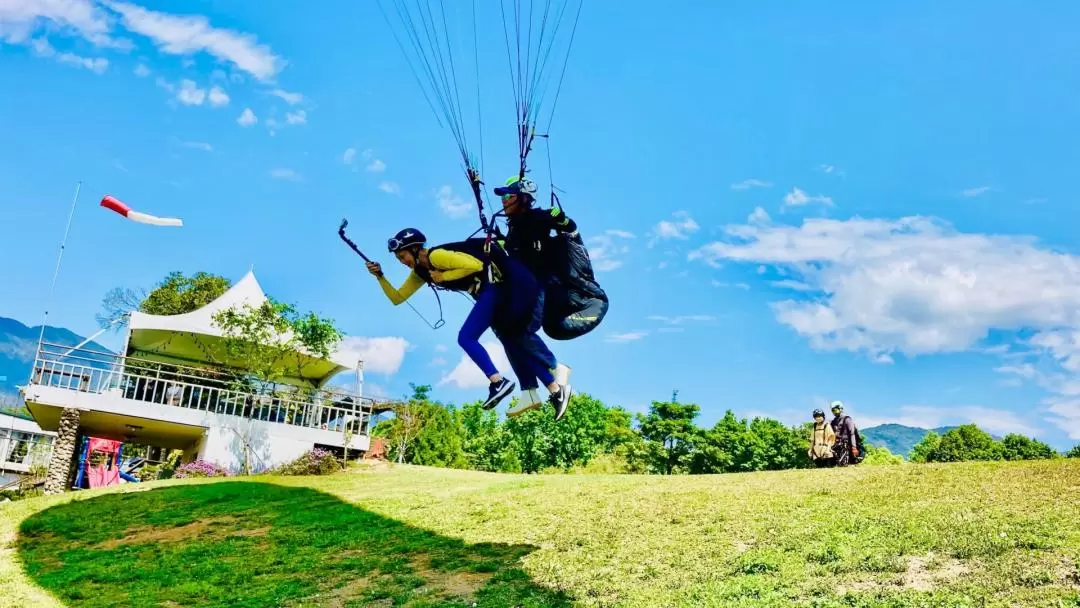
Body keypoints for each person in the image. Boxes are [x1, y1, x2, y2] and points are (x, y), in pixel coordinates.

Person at [366, 227, 572, 419]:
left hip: (494, 291)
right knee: (513, 344)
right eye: (399, 259)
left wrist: (444, 275)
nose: (402, 261)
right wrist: (380, 277)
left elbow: (476, 265)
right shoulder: (419, 272)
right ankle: (555, 389)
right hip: (487, 295)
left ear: (413, 248)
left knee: (466, 337)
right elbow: (397, 297)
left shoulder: (435, 256)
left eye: (403, 256)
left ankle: (498, 382)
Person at [494, 176, 609, 342]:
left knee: (548, 324)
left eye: (507, 196)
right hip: (554, 316)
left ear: (523, 197)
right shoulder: (516, 234)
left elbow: (571, 230)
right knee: (550, 327)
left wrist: (562, 220)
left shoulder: (540, 219)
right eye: (502, 197)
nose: (503, 201)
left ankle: (537, 355)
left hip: (591, 304)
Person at [829, 401, 862, 466]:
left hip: (846, 445)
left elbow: (852, 434)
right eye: (833, 410)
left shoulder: (847, 419)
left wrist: (854, 447)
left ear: (840, 409)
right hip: (835, 445)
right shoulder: (833, 422)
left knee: (843, 464)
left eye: (836, 410)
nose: (834, 412)